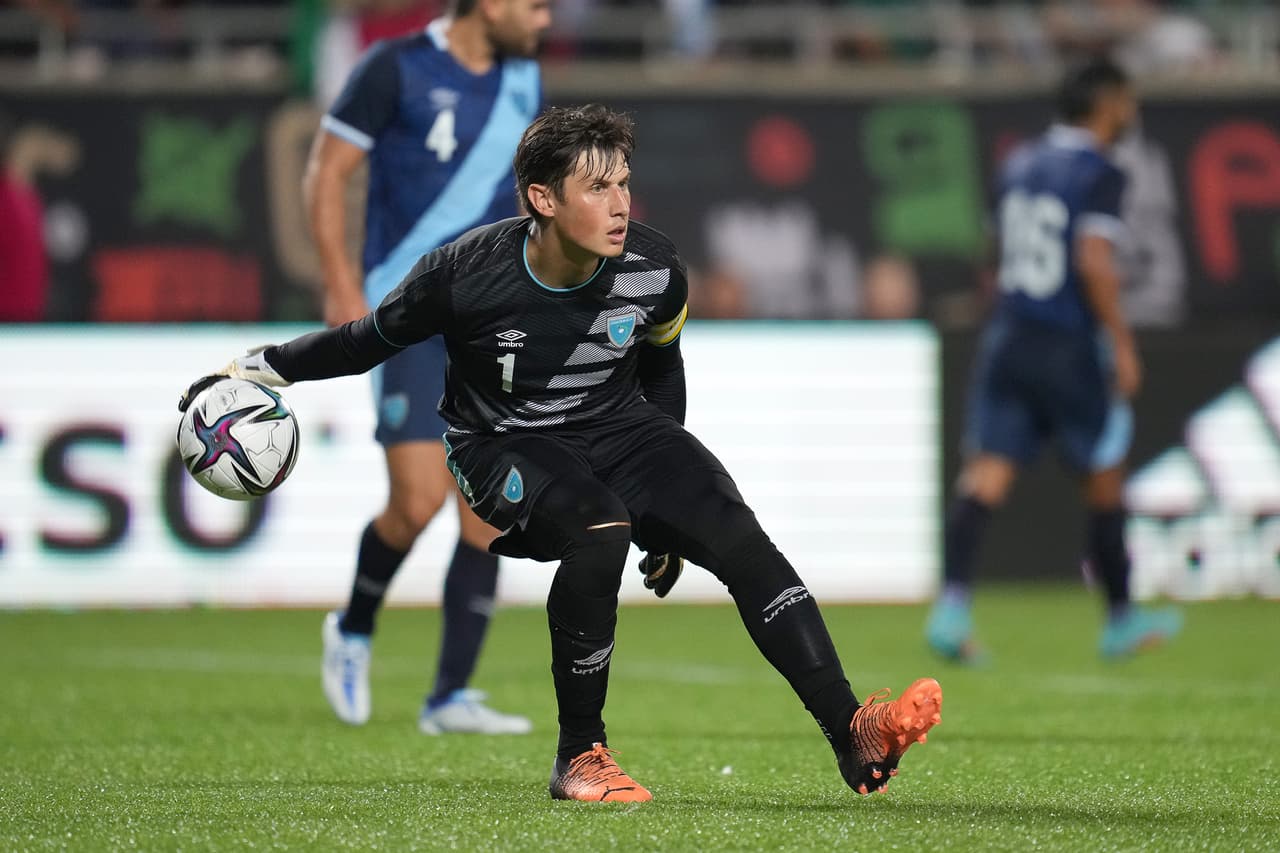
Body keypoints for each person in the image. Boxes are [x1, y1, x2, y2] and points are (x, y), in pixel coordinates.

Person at [181, 104, 942, 803]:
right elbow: (363, 342)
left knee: (734, 533)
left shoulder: (655, 269)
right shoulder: (464, 276)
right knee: (599, 526)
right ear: (543, 200)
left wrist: (668, 515)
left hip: (622, 430)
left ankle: (854, 729)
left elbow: (662, 367)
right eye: (598, 187)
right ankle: (580, 754)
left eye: (625, 183)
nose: (621, 205)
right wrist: (258, 367)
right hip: (501, 445)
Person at [301, 0, 550, 734]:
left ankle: (449, 697)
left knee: (487, 513)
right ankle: (351, 629)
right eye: (534, 5)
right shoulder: (394, 68)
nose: (542, 20)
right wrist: (341, 284)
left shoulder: (522, 80)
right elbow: (327, 171)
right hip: (406, 310)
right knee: (416, 500)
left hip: (491, 318)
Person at [925, 59, 1182, 664]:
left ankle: (951, 608)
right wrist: (1119, 340)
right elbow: (1093, 258)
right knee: (1103, 473)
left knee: (985, 476)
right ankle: (1120, 617)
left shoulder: (1017, 162)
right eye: (1126, 101)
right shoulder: (1101, 170)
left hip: (1009, 333)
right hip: (1065, 339)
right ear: (1106, 103)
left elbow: (994, 250)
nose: (1130, 113)